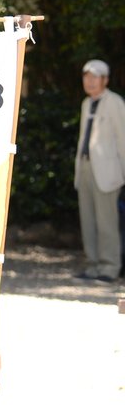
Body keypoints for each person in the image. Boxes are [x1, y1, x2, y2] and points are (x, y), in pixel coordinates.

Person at [74, 60, 125, 281]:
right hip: (85, 166)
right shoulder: (86, 103)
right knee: (88, 219)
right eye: (87, 77)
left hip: (107, 170)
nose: (90, 81)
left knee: (107, 221)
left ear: (105, 80)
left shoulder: (115, 102)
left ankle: (110, 267)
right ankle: (92, 265)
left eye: (95, 77)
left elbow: (123, 139)